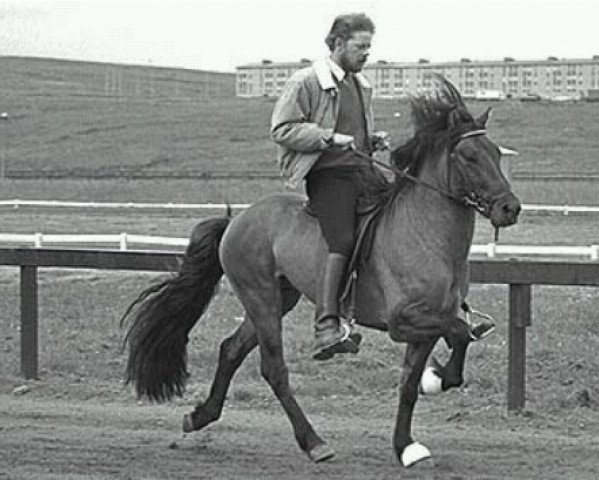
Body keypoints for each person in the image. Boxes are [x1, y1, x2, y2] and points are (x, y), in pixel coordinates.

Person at [271, 13, 389, 360]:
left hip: (362, 171)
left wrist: (372, 140)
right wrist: (327, 138)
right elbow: (282, 130)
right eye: (360, 46)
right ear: (337, 44)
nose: (367, 53)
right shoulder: (305, 81)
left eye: (369, 46)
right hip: (327, 176)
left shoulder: (361, 85)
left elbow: (355, 132)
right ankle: (326, 326)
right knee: (343, 239)